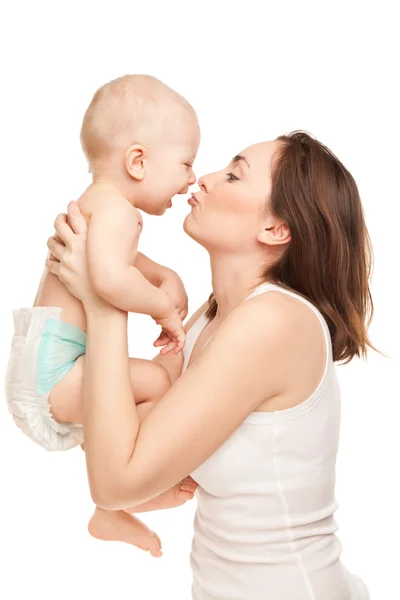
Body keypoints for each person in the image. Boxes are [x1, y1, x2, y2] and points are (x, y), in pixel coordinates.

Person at [46, 131, 372, 599]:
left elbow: (116, 480)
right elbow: (122, 436)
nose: (206, 179)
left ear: (276, 229)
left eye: (234, 175)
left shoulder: (276, 321)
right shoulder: (214, 313)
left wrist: (104, 302)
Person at [5, 74, 201, 557]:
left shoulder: (101, 204)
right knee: (156, 385)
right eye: (185, 163)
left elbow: (120, 264)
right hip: (55, 374)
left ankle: (110, 508)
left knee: (113, 407)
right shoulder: (119, 213)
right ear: (138, 161)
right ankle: (119, 496)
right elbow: (112, 280)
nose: (191, 178)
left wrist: (164, 277)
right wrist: (164, 312)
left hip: (47, 366)